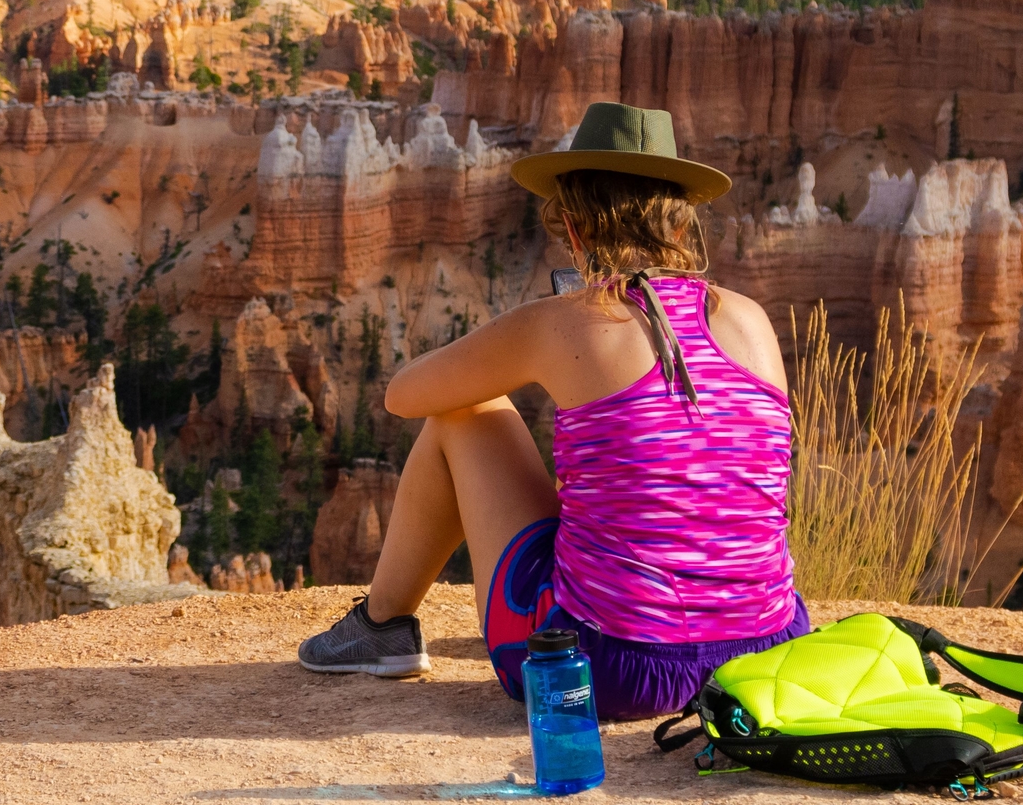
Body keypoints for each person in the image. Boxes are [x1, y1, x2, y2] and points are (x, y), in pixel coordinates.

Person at [295, 101, 808, 721]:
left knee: (467, 409)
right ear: (679, 227)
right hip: (766, 657)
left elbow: (403, 395)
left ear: (573, 227)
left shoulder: (560, 323)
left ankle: (382, 627)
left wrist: (529, 339)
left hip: (610, 670)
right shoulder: (752, 319)